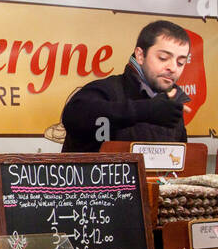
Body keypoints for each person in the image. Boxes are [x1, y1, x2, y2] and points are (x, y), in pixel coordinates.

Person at [60, 20, 191, 152]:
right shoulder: (106, 89)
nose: (173, 68)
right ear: (140, 55)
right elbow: (74, 115)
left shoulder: (172, 106)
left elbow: (181, 163)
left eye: (180, 62)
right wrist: (146, 110)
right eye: (163, 58)